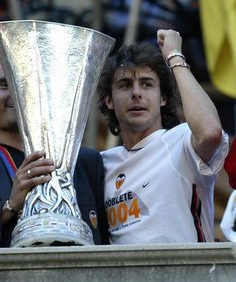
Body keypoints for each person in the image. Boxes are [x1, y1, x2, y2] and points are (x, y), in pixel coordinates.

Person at [97, 29, 229, 244]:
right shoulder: (100, 165)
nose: (136, 93)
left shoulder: (181, 142)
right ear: (109, 101)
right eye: (125, 85)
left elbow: (210, 132)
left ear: (163, 99)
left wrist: (175, 55)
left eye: (147, 84)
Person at [0, 64, 109, 247]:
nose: (16, 91)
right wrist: (9, 207)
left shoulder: (86, 161)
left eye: (23, 83)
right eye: (4, 84)